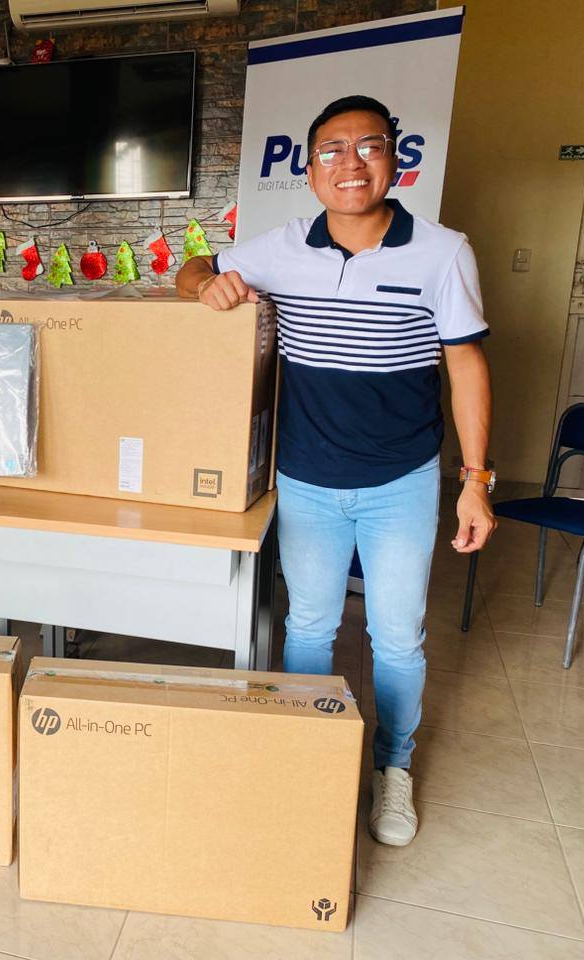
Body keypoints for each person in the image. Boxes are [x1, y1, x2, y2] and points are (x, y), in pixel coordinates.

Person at [177, 95, 497, 847]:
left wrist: (475, 481)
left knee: (397, 639)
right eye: (331, 150)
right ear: (310, 167)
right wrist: (205, 286)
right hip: (308, 479)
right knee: (311, 627)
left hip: (402, 481)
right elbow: (192, 268)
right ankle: (305, 751)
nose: (350, 164)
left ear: (396, 157)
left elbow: (466, 364)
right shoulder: (283, 248)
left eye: (368, 146)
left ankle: (394, 767)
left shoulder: (443, 251)